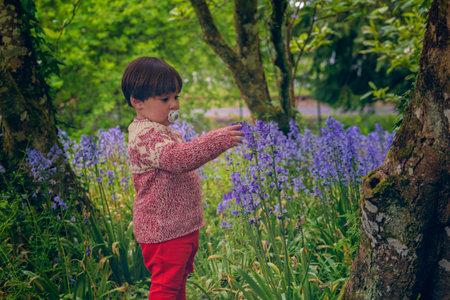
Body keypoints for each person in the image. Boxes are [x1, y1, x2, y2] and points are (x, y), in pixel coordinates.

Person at [122, 56, 243, 299]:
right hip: (163, 232)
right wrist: (216, 140)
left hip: (180, 228)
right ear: (137, 102)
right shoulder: (145, 135)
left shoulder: (160, 129)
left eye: (176, 97)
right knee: (166, 289)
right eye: (164, 99)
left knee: (176, 287)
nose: (174, 105)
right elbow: (178, 159)